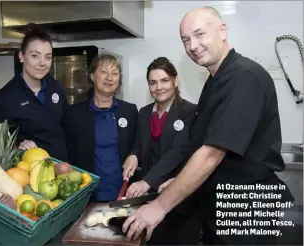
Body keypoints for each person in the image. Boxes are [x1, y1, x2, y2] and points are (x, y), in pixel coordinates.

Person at [123, 6, 294, 245]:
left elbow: (212, 152)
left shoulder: (244, 78)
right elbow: (202, 146)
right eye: (186, 40)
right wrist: (180, 180)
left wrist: (159, 207)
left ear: (222, 31)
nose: (193, 46)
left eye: (200, 34)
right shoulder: (215, 82)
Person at [122, 57, 201, 245]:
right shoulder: (143, 113)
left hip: (180, 199)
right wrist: (133, 155)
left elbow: (178, 150)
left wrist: (146, 181)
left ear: (175, 81)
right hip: (150, 199)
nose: (159, 87)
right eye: (153, 82)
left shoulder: (190, 112)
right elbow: (139, 145)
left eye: (164, 80)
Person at [0, 24, 70, 162]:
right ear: (21, 56)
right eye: (35, 56)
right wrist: (17, 146)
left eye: (48, 57)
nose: (42, 63)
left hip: (61, 168)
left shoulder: (55, 87)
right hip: (30, 173)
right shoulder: (5, 98)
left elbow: (66, 125)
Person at [65, 54, 138, 202]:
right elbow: (66, 152)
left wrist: (135, 154)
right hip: (85, 197)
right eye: (104, 72)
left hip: (123, 196)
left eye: (115, 73)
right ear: (92, 76)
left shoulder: (129, 111)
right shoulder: (74, 114)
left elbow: (139, 144)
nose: (109, 78)